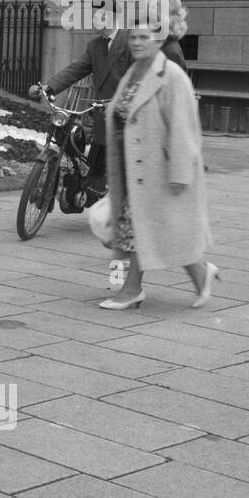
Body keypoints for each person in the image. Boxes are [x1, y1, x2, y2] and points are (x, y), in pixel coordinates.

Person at [98, 21, 216, 311]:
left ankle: (132, 289)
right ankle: (201, 272)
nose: (137, 42)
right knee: (151, 229)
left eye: (144, 38)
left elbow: (183, 126)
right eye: (133, 37)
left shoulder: (171, 75)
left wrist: (180, 173)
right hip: (133, 169)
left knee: (147, 229)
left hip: (159, 169)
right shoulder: (134, 72)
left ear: (158, 41)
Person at [29, 0, 189, 189]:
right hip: (101, 116)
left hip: (125, 118)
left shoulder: (132, 41)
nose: (92, 19)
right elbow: (76, 69)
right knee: (94, 168)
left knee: (119, 174)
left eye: (96, 15)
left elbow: (141, 77)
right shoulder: (95, 45)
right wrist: (49, 87)